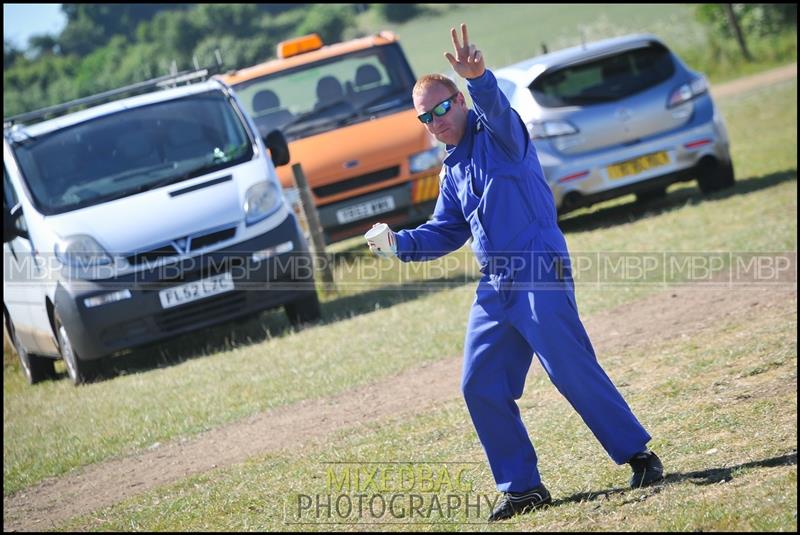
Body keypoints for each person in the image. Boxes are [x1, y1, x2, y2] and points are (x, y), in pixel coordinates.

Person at [366, 24, 664, 522]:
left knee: (568, 367)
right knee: (478, 382)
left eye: (442, 108)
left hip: (537, 268)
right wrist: (398, 244)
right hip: (495, 284)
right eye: (426, 117)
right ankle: (523, 487)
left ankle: (639, 455)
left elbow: (496, 106)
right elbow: (445, 230)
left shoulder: (500, 134)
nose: (436, 121)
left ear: (459, 102)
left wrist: (480, 78)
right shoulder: (452, 168)